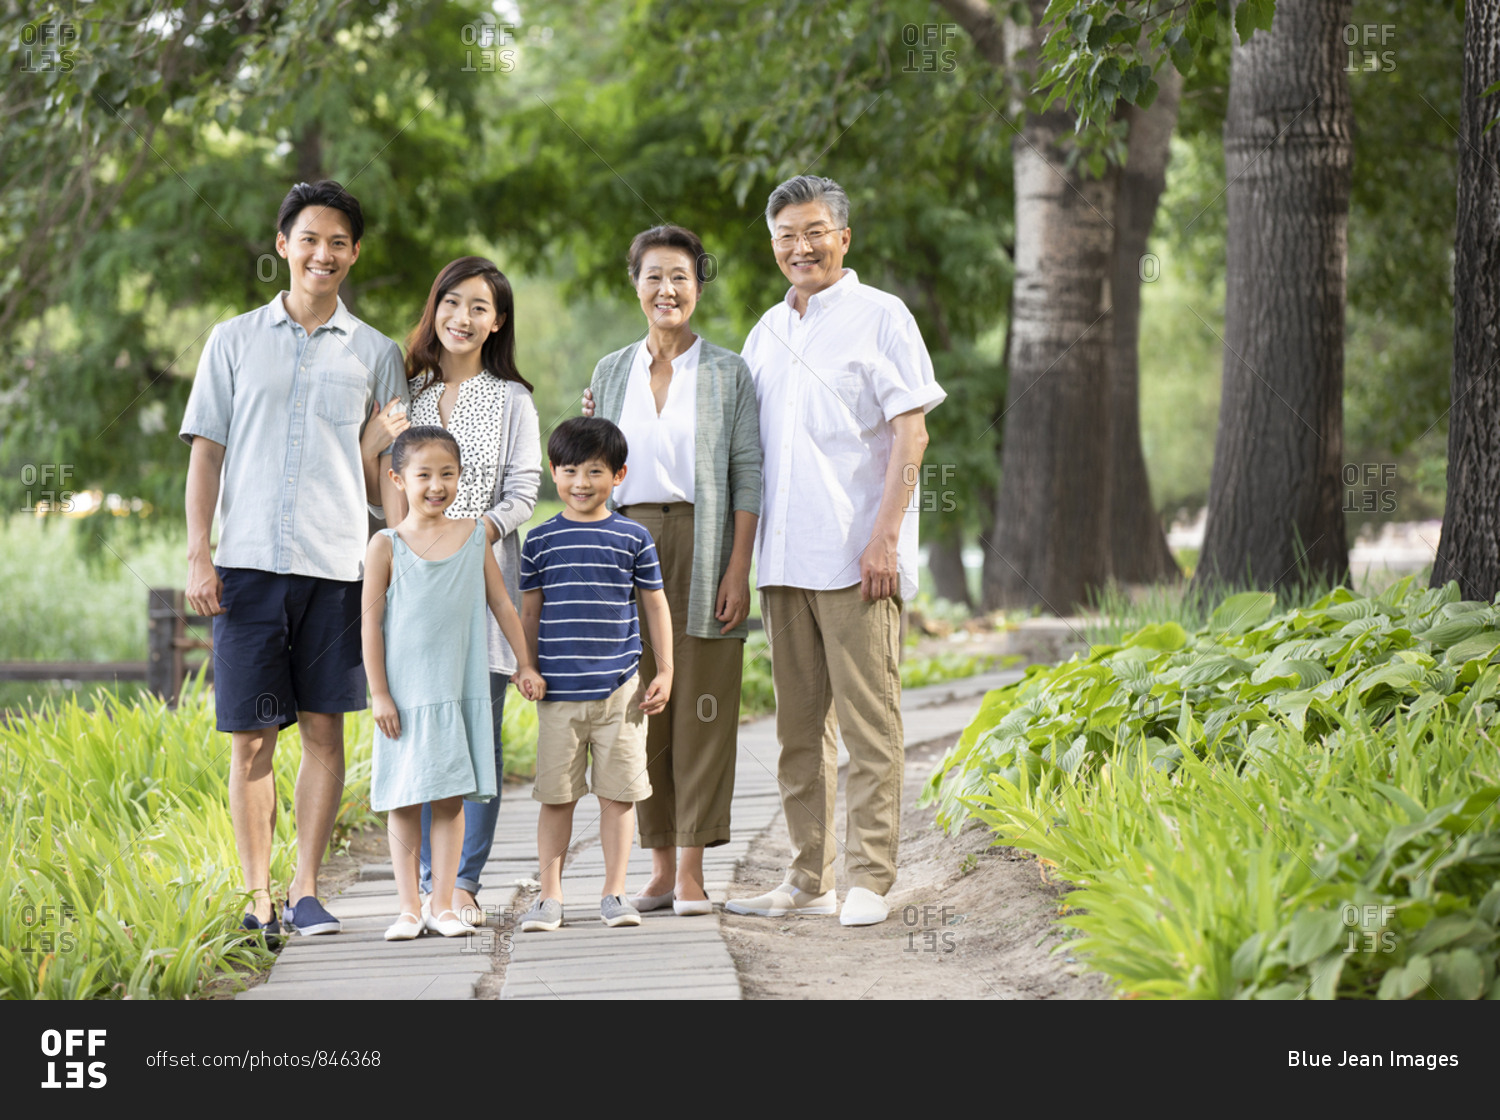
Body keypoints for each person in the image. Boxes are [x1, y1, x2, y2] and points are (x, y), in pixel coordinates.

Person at [181, 180, 409, 941]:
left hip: (338, 568)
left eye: (339, 242)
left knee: (322, 733)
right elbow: (206, 455)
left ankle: (306, 890)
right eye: (309, 239)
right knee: (250, 740)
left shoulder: (376, 354)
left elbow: (387, 475)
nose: (323, 253)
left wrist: (400, 558)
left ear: (353, 254)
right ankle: (257, 897)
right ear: (283, 246)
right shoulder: (232, 340)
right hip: (245, 567)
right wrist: (198, 555)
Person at [726, 175, 945, 927]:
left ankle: (870, 879)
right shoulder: (766, 331)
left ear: (843, 238)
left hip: (858, 560)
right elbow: (733, 435)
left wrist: (885, 537)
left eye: (815, 231)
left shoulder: (882, 317)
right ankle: (805, 873)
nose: (800, 246)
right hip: (783, 563)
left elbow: (911, 434)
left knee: (869, 726)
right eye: (786, 234)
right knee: (797, 732)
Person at [359, 256, 540, 928]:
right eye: (453, 303)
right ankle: (420, 896)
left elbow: (524, 492)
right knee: (414, 732)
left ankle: (459, 884)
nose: (463, 319)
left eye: (481, 308)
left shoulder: (512, 400)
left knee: (474, 737)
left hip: (481, 576)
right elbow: (389, 494)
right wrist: (372, 447)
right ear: (435, 308)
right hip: (412, 597)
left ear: (497, 324)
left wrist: (468, 538)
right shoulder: (409, 395)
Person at [585, 225, 761, 916]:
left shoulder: (726, 371)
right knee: (638, 705)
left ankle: (692, 870)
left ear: (698, 285)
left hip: (705, 537)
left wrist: (738, 569)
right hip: (624, 541)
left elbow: (748, 472)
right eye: (655, 276)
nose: (668, 289)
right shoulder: (609, 371)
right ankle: (656, 868)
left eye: (681, 277)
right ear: (635, 284)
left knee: (705, 704)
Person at [515, 418, 673, 932]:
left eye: (595, 471)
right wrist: (527, 665)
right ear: (553, 474)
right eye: (569, 471)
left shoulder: (633, 537)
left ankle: (615, 893)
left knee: (618, 794)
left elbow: (655, 605)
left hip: (620, 691)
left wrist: (665, 670)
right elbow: (529, 614)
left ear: (619, 474)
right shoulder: (538, 542)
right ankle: (550, 896)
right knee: (556, 796)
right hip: (558, 694)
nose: (581, 482)